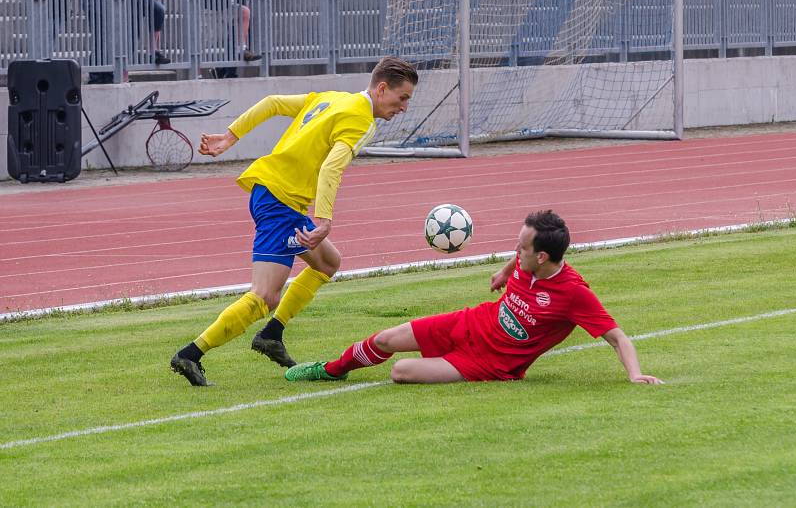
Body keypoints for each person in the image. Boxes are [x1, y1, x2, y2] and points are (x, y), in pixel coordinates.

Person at [170, 56, 419, 386]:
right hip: (280, 201)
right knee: (264, 296)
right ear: (382, 88)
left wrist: (231, 137)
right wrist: (324, 220)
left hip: (275, 193)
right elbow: (332, 168)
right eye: (402, 98)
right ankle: (190, 355)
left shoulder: (334, 98)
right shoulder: (362, 121)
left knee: (328, 262)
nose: (403, 107)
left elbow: (272, 103)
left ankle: (272, 334)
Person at [285, 210, 664, 385]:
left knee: (401, 372)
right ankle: (330, 370)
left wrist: (635, 374)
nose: (516, 251)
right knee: (385, 339)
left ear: (543, 257)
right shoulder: (526, 259)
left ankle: (444, 365)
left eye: (522, 248)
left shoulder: (573, 293)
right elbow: (515, 260)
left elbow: (617, 336)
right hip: (469, 322)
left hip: (489, 363)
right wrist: (502, 273)